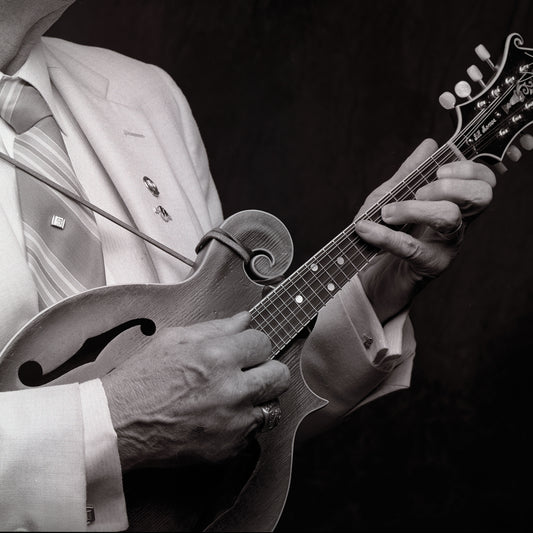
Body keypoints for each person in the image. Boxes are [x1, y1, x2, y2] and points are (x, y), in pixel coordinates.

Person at [0, 1, 497, 531]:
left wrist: (376, 282)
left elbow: (217, 409)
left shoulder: (145, 95)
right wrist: (111, 423)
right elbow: (157, 409)